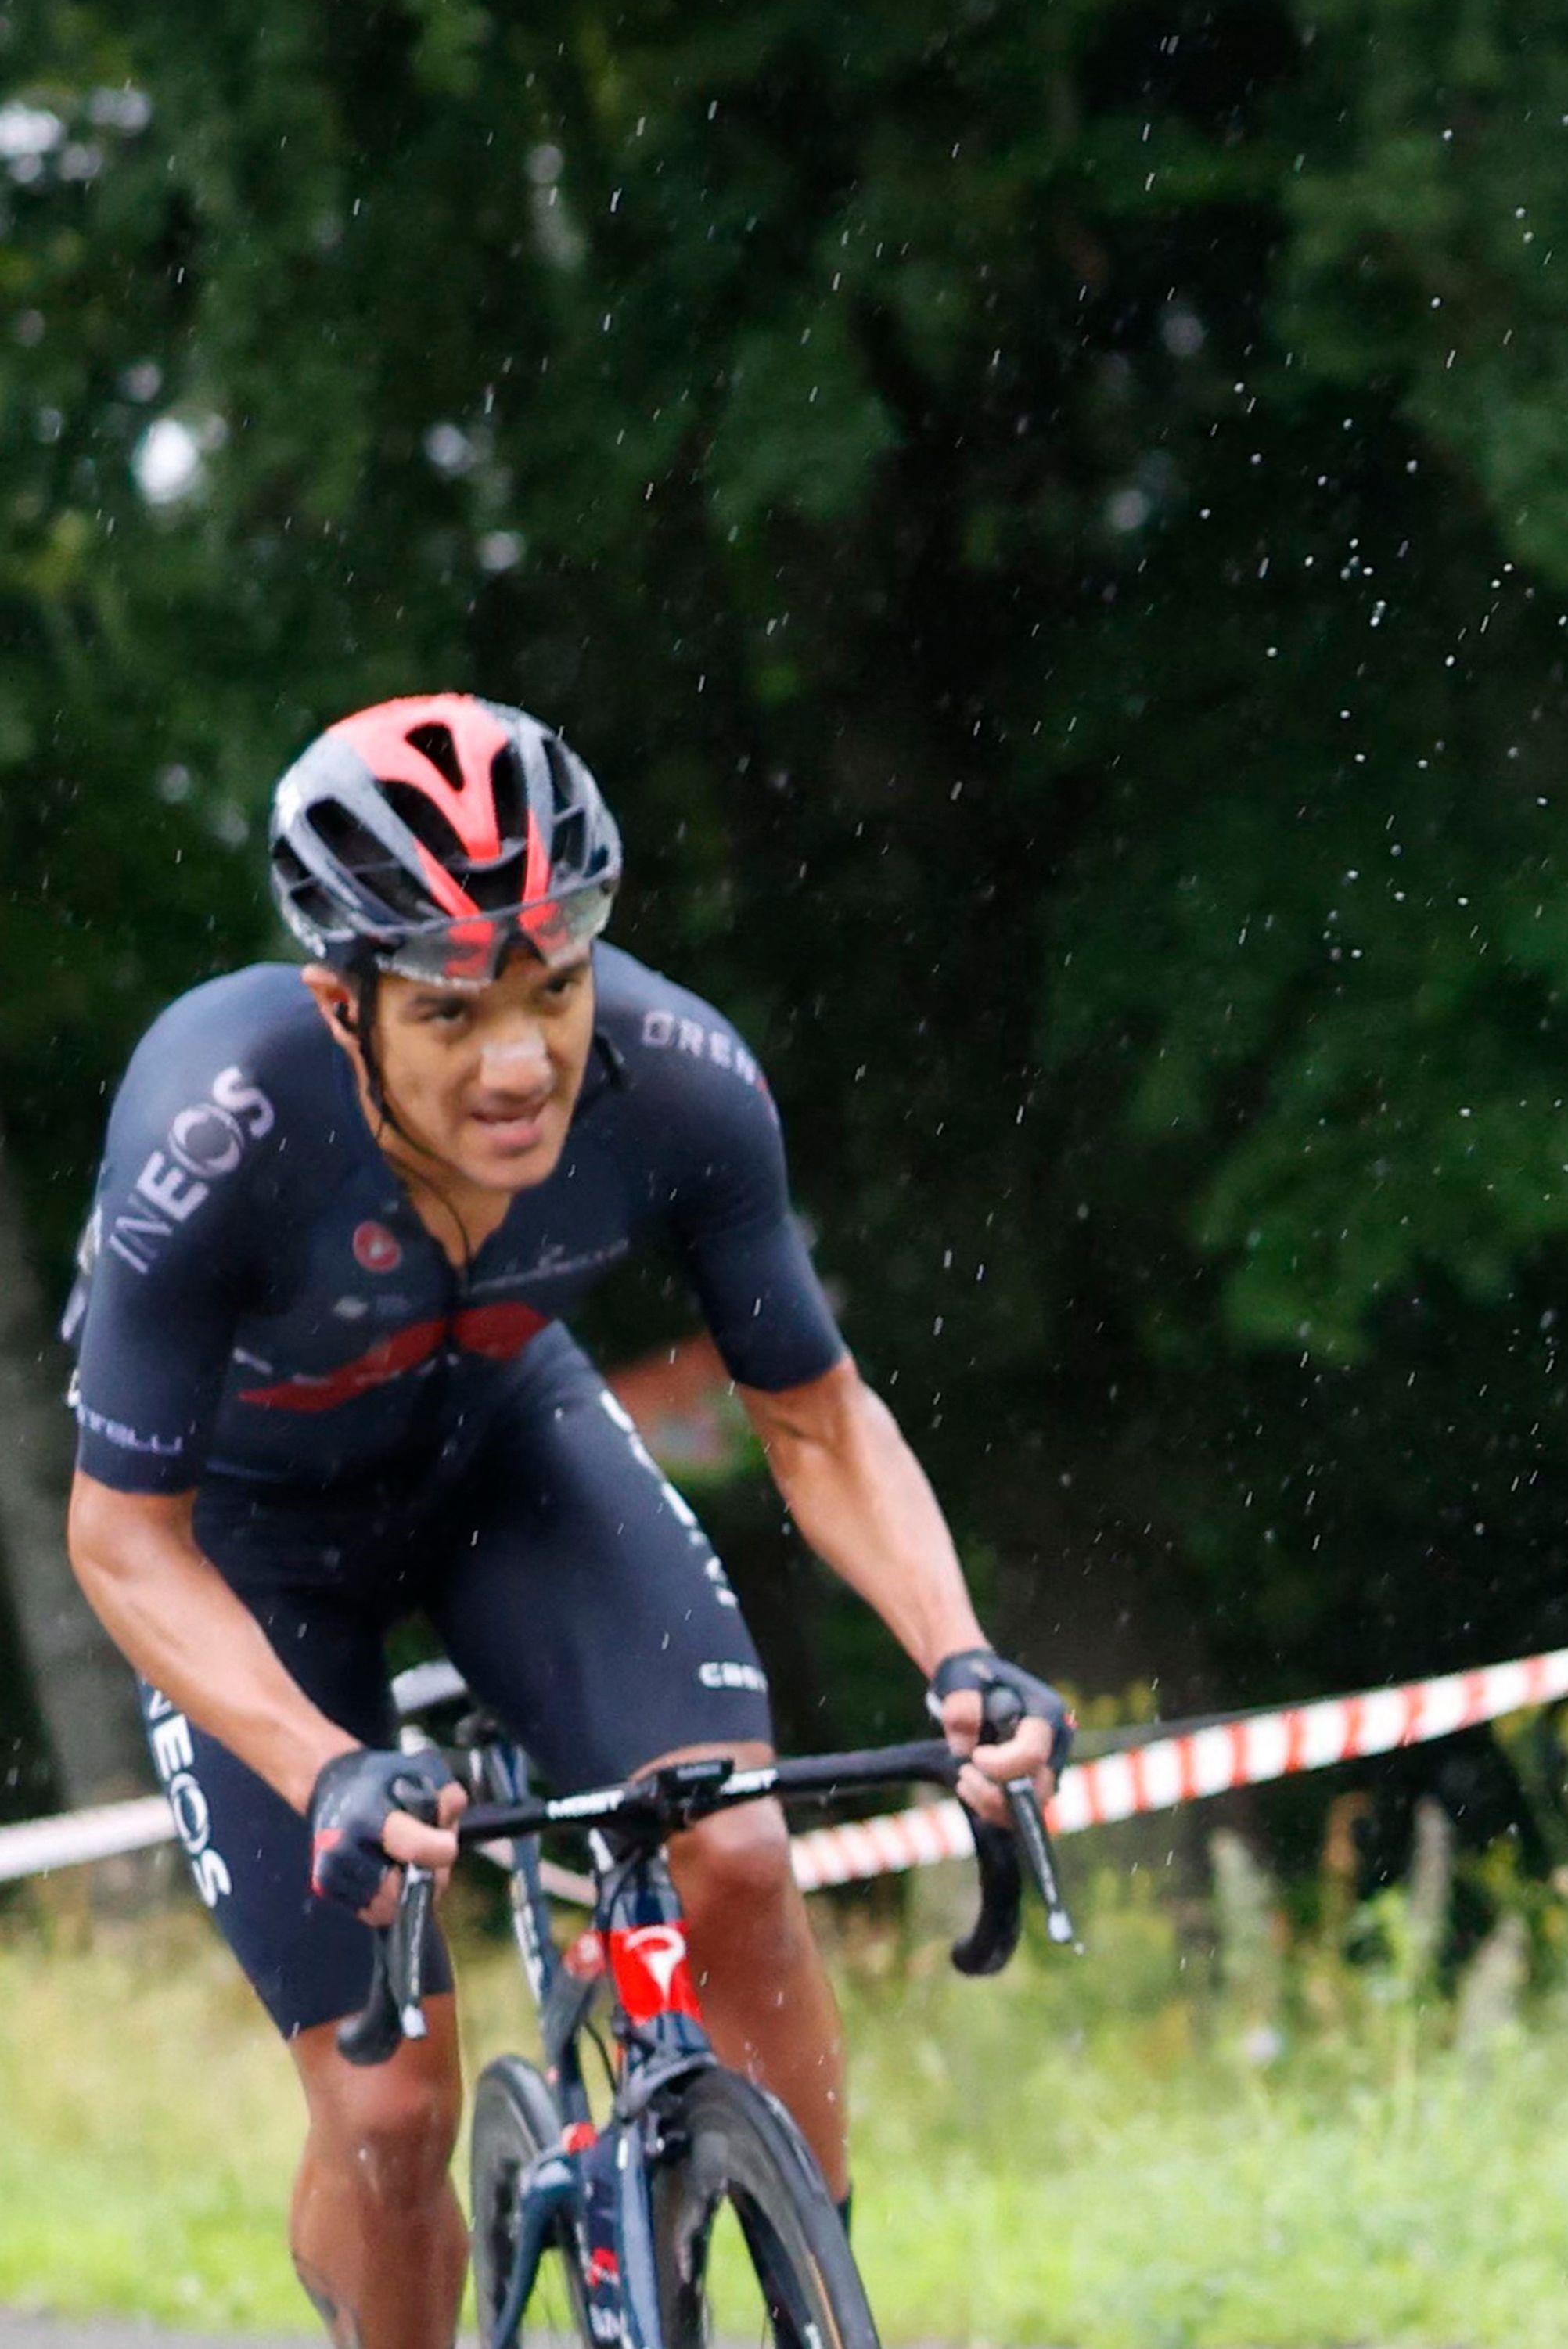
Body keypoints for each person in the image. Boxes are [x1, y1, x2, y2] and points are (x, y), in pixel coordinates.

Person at [60, 693, 1074, 2349]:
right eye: (454, 1011)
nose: (522, 1058)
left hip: (502, 1463)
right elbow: (121, 1537)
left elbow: (815, 1416)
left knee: (736, 1857)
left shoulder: (677, 1079)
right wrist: (323, 1766)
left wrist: (956, 1649)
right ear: (343, 1005)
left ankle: (807, 2289)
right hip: (245, 1549)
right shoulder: (212, 1125)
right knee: (391, 2116)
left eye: (554, 984)